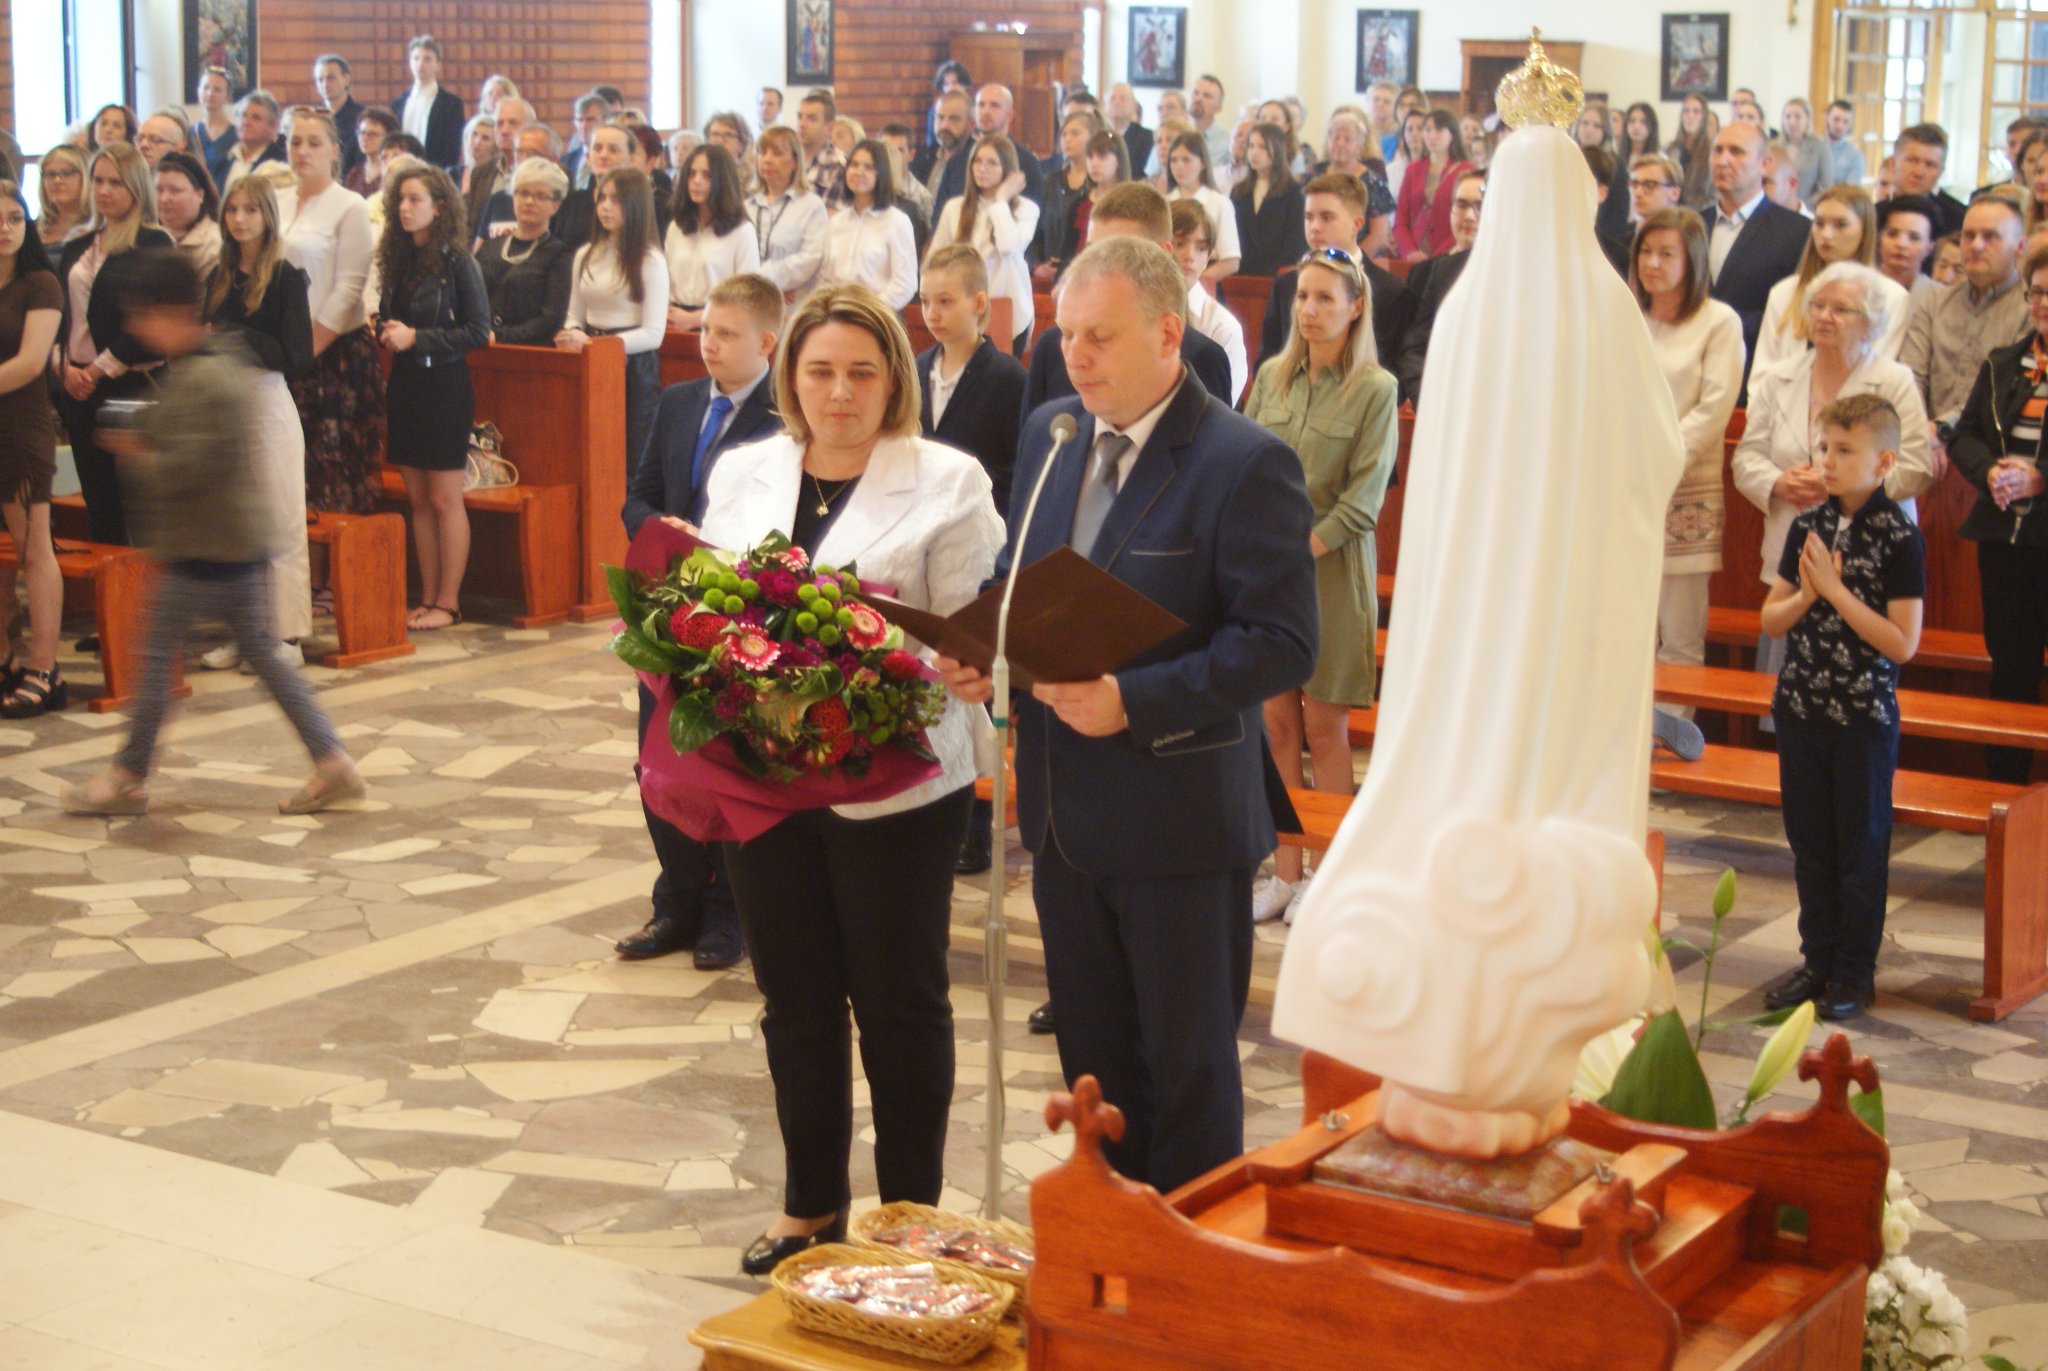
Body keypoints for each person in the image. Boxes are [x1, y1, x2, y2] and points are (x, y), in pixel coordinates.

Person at [936, 234, 1317, 1192]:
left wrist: (1134, 702)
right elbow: (1020, 574)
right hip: (1064, 817)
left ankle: (1186, 1260)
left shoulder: (1244, 461)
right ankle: (1113, 1242)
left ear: (1168, 333)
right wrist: (988, 646)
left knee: (1187, 1075)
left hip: (1180, 820)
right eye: (1065, 335)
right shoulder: (1053, 432)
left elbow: (1281, 643)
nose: (1075, 356)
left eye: (1099, 337)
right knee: (1097, 1072)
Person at [698, 283, 1002, 1275]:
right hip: (763, 772)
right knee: (794, 996)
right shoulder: (744, 470)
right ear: (789, 376)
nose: (839, 392)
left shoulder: (948, 481)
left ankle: (909, 1216)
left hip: (895, 779)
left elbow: (967, 638)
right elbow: (706, 605)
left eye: (862, 373)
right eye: (820, 370)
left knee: (898, 999)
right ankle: (809, 1206)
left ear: (894, 380)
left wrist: (952, 662)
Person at [61, 249, 363, 819]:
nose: (137, 330)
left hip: (210, 549)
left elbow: (195, 465)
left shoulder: (210, 375)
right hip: (223, 545)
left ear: (172, 313)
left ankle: (129, 776)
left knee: (156, 657)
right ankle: (333, 761)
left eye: (142, 317)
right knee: (261, 658)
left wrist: (139, 452)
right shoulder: (204, 364)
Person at [615, 274, 783, 972]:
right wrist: (660, 527)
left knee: (725, 761)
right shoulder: (680, 400)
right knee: (659, 756)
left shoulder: (783, 416)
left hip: (738, 613)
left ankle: (728, 911)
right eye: (706, 330)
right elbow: (639, 494)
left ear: (766, 342)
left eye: (726, 334)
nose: (708, 343)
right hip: (668, 601)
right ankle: (677, 900)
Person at [1757, 394, 1925, 1022]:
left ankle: (1854, 972)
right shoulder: (1807, 525)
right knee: (1811, 846)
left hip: (1861, 719)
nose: (1827, 461)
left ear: (1884, 462)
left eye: (1845, 450)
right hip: (1802, 708)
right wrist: (1807, 595)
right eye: (1824, 447)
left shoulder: (1900, 537)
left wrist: (1834, 591)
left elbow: (1902, 643)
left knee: (1859, 851)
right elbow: (1772, 619)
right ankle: (1817, 962)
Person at [1244, 246, 1396, 922]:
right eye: (1302, 296)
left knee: (1324, 728)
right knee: (1276, 723)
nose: (1309, 309)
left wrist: (1293, 550)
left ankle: (1328, 875)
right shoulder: (1272, 378)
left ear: (1354, 307)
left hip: (1330, 575)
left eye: (1325, 298)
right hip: (1268, 575)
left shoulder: (1376, 389)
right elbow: (1243, 463)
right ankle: (1285, 871)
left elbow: (1364, 500)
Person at [1734, 263, 1932, 655]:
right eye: (1818, 306)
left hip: (1871, 551)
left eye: (1840, 309)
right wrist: (1778, 482)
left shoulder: (1894, 381)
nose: (1824, 316)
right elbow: (1746, 458)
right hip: (1793, 541)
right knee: (1785, 662)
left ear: (1869, 323)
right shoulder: (1779, 377)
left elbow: (1916, 467)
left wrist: (1843, 488)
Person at [913, 244, 1026, 875]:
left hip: (981, 540)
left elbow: (1013, 466)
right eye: (925, 301)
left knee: (975, 682)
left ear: (980, 303)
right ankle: (935, 804)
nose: (932, 313)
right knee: (933, 678)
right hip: (922, 542)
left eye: (946, 301)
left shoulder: (1006, 377)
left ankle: (978, 824)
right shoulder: (916, 368)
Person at [1633, 207, 1744, 724]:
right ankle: (1624, 741)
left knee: (1678, 636)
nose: (1652, 263)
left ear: (1693, 259)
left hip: (1684, 490)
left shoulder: (1718, 321)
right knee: (1626, 629)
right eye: (1645, 251)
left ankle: (1670, 740)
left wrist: (1658, 457)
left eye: (1666, 253)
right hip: (1624, 488)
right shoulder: (1627, 316)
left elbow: (1715, 408)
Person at [201, 174, 314, 671]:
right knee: (234, 525)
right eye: (233, 210)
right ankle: (246, 630)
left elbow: (297, 354)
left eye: (250, 210)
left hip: (267, 401)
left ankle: (287, 634)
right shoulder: (218, 275)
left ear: (267, 216)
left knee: (280, 519)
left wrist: (233, 336)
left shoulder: (285, 277)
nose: (240, 219)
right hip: (225, 402)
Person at [1947, 241, 2048, 783]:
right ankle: (2004, 792)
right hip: (2004, 540)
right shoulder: (2004, 362)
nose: (2043, 304)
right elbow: (1963, 435)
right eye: (2037, 293)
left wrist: (2039, 477)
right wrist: (1989, 472)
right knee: (2010, 668)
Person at [374, 163, 488, 632]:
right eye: (400, 200)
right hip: (405, 384)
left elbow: (478, 331)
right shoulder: (398, 259)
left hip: (444, 384)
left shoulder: (458, 261)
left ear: (439, 207)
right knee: (418, 500)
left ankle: (449, 601)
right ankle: (426, 598)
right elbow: (388, 316)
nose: (405, 208)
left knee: (444, 499)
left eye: (415, 200)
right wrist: (383, 329)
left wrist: (417, 337)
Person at [1023, 183, 1233, 417]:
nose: (1097, 265)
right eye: (1092, 251)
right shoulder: (1052, 348)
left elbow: (1212, 436)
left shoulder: (1202, 356)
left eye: (1118, 252)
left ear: (1162, 254)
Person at [55, 143, 171, 548]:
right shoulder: (78, 243)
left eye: (116, 182)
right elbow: (59, 314)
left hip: (131, 384)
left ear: (137, 186)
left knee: (139, 502)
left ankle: (143, 584)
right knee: (98, 498)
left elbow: (151, 322)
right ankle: (110, 580)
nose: (104, 190)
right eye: (98, 180)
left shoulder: (153, 242)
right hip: (76, 384)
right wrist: (64, 367)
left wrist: (96, 369)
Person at [278, 107, 382, 520]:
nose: (302, 151)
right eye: (295, 142)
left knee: (330, 471)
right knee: (285, 468)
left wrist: (305, 351)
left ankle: (334, 560)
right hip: (281, 351)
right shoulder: (276, 201)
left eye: (313, 143)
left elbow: (349, 289)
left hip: (332, 354)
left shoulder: (349, 205)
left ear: (334, 150)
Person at [1903, 195, 2029, 477]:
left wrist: (1940, 431)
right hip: (1921, 451)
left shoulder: (2031, 310)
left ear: (2020, 247)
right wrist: (1921, 433)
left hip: (1994, 460)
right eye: (1969, 236)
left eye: (1990, 237)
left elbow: (2004, 393)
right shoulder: (1934, 303)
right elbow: (1910, 377)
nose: (1976, 245)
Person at [0, 179, 65, 717]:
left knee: (32, 550)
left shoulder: (40, 283)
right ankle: (5, 657)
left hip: (20, 429)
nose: (5, 228)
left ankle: (45, 670)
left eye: (14, 218)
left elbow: (28, 363)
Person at [559, 166, 668, 476]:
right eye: (602, 198)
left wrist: (596, 344)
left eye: (616, 200)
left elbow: (654, 333)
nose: (606, 207)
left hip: (632, 364)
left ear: (635, 205)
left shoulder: (650, 259)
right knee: (589, 455)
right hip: (590, 354)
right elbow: (574, 314)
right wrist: (571, 333)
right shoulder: (586, 253)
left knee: (629, 459)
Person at [1258, 171, 1410, 378]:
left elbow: (1392, 374)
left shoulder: (1391, 292)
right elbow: (1267, 362)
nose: (1314, 227)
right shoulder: (1286, 285)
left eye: (1326, 217)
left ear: (1356, 224)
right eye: (1309, 217)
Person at [1702, 119, 1810, 392]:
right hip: (1693, 371)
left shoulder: (1796, 231)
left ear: (1764, 163)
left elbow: (1793, 312)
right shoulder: (1693, 225)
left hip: (1756, 375)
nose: (1723, 160)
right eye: (1718, 150)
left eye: (1737, 151)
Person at [1755, 184, 1908, 375]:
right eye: (1819, 223)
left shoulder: (1892, 296)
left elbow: (1877, 372)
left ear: (1864, 231)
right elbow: (1762, 374)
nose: (1826, 235)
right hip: (1783, 394)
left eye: (1840, 225)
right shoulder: (1784, 291)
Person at [928, 135, 1040, 357]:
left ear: (1007, 169)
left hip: (1007, 310)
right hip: (963, 310)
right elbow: (935, 260)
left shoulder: (1025, 208)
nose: (982, 169)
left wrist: (1001, 200)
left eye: (992, 163)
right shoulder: (955, 208)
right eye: (977, 161)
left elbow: (1008, 246)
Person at [1395, 168, 1484, 405]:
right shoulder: (1426, 272)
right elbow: (1414, 347)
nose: (1469, 216)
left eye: (1480, 206)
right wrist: (1430, 402)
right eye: (1461, 204)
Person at [476, 157, 573, 345]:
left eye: (540, 196)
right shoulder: (490, 247)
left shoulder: (559, 255)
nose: (529, 201)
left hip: (530, 351)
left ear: (555, 205)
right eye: (523, 193)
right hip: (481, 345)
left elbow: (551, 319)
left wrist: (500, 337)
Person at [664, 144, 759, 331]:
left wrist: (695, 319)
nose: (697, 181)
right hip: (675, 322)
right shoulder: (677, 227)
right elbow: (665, 281)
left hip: (720, 325)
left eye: (707, 176)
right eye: (692, 174)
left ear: (722, 181)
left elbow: (747, 297)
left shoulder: (742, 231)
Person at [815, 139, 916, 312]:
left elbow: (905, 283)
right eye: (854, 165)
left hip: (877, 315)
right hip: (837, 313)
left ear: (882, 173)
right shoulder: (837, 221)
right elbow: (825, 277)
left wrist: (867, 311)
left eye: (869, 167)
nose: (858, 172)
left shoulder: (896, 221)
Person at [1170, 201, 1248, 403]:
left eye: (1201, 248)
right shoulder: (1138, 310)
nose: (1190, 256)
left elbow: (1223, 408)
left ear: (1208, 258)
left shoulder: (1224, 328)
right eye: (1179, 243)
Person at [748, 125, 827, 304]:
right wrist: (762, 286)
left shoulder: (811, 206)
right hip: (750, 300)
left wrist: (769, 282)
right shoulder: (747, 206)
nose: (767, 160)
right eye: (762, 153)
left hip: (792, 304)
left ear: (795, 162)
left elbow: (810, 258)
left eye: (777, 153)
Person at [935, 85, 1046, 213]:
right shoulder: (957, 160)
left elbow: (1036, 215)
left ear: (1009, 115)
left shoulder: (1027, 162)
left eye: (994, 105)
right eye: (981, 105)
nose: (986, 111)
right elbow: (940, 213)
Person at [1040, 128, 1128, 281]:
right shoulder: (1080, 204)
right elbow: (1068, 253)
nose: (1094, 163)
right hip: (1082, 278)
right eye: (1090, 157)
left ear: (1119, 161)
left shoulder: (1129, 204)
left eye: (1102, 157)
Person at [1394, 110, 1473, 262]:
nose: (1432, 135)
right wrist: (1409, 251)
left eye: (1439, 129)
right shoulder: (1413, 170)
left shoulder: (1466, 171)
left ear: (1452, 134)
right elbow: (1400, 219)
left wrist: (1439, 256)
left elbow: (1465, 219)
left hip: (1450, 256)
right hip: (1414, 256)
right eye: (1428, 129)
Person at [1161, 131, 1240, 282]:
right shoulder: (1164, 202)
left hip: (1204, 277)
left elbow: (1231, 261)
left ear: (1203, 163)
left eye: (1186, 160)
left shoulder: (1219, 202)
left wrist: (1194, 281)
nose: (1179, 166)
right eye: (1174, 160)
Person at [1232, 122, 1307, 277]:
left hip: (1277, 276)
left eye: (1263, 147)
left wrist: (1274, 274)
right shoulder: (1239, 191)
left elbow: (1295, 242)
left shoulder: (1293, 192)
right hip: (1241, 274)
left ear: (1277, 150)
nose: (1254, 153)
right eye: (1251, 146)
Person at [1038, 111, 1104, 274]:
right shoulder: (1051, 181)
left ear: (1092, 137)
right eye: (1064, 134)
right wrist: (1036, 264)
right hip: (1048, 272)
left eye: (1074, 133)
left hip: (1086, 271)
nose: (1067, 139)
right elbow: (1037, 229)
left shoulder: (1099, 184)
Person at [393, 34, 466, 172]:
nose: (420, 64)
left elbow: (452, 150)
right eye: (416, 58)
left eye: (427, 59)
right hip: (401, 172)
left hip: (434, 174)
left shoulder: (451, 105)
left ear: (438, 65)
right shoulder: (397, 104)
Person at [462, 97, 530, 232]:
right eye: (499, 124)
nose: (504, 130)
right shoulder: (480, 173)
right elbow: (470, 225)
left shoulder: (541, 173)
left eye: (513, 123)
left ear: (530, 127)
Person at [154, 152, 222, 279]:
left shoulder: (214, 246)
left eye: (174, 191)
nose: (164, 199)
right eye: (159, 190)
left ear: (200, 195)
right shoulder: (148, 235)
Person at [1889, 124, 1965, 237]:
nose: (1918, 172)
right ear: (1893, 163)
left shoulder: (1960, 221)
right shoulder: (1873, 216)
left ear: (1941, 171)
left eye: (1930, 165)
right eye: (1912, 160)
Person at [1877, 193, 1940, 302]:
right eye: (1892, 234)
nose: (1901, 244)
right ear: (1879, 238)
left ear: (1929, 248)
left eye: (1914, 238)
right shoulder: (1858, 283)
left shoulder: (1937, 298)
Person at [313, 53, 366, 181]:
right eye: (320, 80)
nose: (325, 84)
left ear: (346, 79)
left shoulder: (362, 118)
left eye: (331, 78)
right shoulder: (312, 119)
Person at [911, 89, 970, 202]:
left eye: (954, 119)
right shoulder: (923, 157)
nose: (944, 126)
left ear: (970, 123)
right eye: (940, 117)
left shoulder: (975, 160)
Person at [795, 90, 848, 210]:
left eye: (811, 119)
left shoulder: (839, 165)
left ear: (830, 128)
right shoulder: (788, 160)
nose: (802, 124)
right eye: (799, 117)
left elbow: (830, 214)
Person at [223, 91, 286, 190]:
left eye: (256, 118)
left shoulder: (281, 163)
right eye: (243, 115)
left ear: (273, 126)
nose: (246, 122)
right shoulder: (224, 158)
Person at [1778, 98, 1834, 210]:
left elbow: (1826, 187)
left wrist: (1801, 205)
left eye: (1797, 117)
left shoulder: (1820, 146)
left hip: (1807, 210)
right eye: (1787, 117)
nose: (1792, 122)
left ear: (1807, 120)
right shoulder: (1773, 146)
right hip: (1777, 208)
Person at [35, 146, 91, 247]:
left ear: (86, 177)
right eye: (51, 174)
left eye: (66, 173)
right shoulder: (33, 229)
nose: (57, 180)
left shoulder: (98, 229)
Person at [1668, 93, 1715, 211]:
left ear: (1704, 117)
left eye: (1696, 111)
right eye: (1686, 111)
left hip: (1701, 213)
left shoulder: (1712, 152)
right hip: (1671, 212)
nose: (1690, 116)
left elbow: (1713, 194)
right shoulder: (1670, 149)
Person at [194, 67, 237, 189]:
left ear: (227, 96)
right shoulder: (191, 133)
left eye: (217, 89)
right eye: (206, 88)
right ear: (198, 91)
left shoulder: (237, 134)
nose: (210, 93)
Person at [1107, 83, 1154, 184]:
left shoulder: (1147, 137)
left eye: (1123, 99)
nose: (1117, 103)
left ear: (1134, 107)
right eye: (1112, 98)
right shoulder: (1098, 134)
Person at [346, 109, 397, 199]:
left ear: (389, 136)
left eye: (373, 134)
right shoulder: (355, 173)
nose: (365, 138)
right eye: (362, 133)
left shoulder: (394, 171)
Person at [1824, 100, 1865, 189]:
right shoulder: (1812, 148)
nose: (1840, 126)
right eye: (1836, 119)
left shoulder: (1855, 156)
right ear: (1826, 117)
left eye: (1846, 121)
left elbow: (1849, 191)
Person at [458, 113, 496, 197]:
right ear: (466, 137)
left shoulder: (495, 177)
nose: (477, 141)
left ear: (494, 146)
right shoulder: (452, 173)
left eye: (485, 138)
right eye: (474, 134)